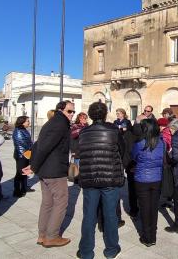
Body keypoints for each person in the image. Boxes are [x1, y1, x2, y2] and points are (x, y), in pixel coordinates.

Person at [76, 102, 125, 259]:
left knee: (89, 215)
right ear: (105, 114)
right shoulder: (114, 131)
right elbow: (123, 152)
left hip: (90, 178)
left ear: (90, 115)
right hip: (110, 178)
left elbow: (80, 153)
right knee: (110, 215)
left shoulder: (83, 132)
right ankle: (111, 249)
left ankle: (85, 251)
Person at [27, 100, 75, 248]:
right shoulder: (59, 124)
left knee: (47, 203)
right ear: (60, 110)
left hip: (46, 170)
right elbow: (43, 147)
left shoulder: (53, 122)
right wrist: (33, 167)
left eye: (73, 111)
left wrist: (33, 165)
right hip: (54, 171)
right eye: (69, 111)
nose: (72, 114)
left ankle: (42, 235)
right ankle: (52, 236)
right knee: (61, 202)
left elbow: (38, 144)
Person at [132, 118, 164, 247]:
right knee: (153, 207)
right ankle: (153, 236)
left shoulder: (139, 143)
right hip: (156, 178)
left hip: (142, 179)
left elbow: (134, 157)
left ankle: (147, 237)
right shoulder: (162, 143)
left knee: (145, 208)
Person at [12, 116, 32, 198]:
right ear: (22, 122)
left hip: (27, 154)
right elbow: (21, 144)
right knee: (20, 173)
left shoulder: (24, 130)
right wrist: (27, 154)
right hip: (21, 155)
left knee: (25, 172)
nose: (29, 122)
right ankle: (17, 191)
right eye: (27, 121)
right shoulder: (18, 131)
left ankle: (23, 188)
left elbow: (29, 142)